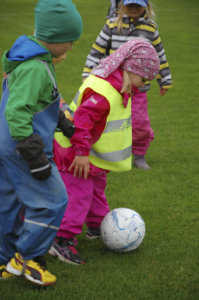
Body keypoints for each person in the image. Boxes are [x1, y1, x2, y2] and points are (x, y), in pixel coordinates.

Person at [49, 39, 160, 265]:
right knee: (79, 196)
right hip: (75, 154)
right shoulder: (104, 89)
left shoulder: (121, 87)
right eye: (144, 78)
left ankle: (98, 225)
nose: (145, 83)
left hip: (92, 156)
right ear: (131, 69)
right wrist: (80, 153)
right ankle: (62, 240)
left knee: (96, 190)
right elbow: (82, 121)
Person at [0, 0, 82, 286]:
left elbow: (34, 100)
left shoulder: (29, 59)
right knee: (52, 200)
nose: (71, 47)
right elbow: (17, 111)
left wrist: (60, 120)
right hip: (23, 148)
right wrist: (34, 156)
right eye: (69, 41)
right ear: (55, 37)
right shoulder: (35, 67)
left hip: (8, 147)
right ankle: (29, 258)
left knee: (9, 203)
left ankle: (4, 259)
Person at [82, 0, 172, 169]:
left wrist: (165, 79)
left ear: (146, 6)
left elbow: (158, 55)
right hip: (113, 88)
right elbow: (97, 49)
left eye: (137, 5)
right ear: (121, 4)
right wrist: (88, 72)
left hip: (138, 90)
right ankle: (103, 154)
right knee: (110, 123)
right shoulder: (112, 25)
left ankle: (139, 154)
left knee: (140, 123)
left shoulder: (150, 29)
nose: (133, 8)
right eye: (130, 4)